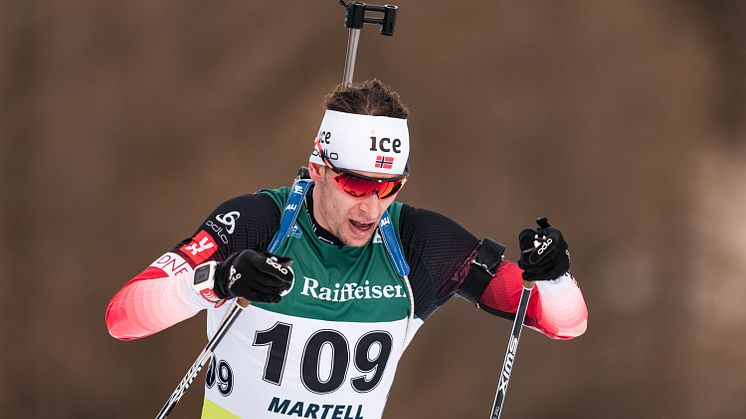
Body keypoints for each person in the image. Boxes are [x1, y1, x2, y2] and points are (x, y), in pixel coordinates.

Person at [106, 79, 587, 419]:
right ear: (318, 168)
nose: (371, 207)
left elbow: (565, 324)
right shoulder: (258, 222)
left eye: (388, 187)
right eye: (356, 184)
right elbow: (123, 317)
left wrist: (555, 274)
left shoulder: (420, 243)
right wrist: (217, 281)